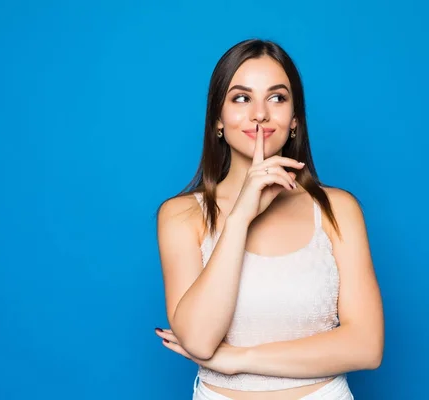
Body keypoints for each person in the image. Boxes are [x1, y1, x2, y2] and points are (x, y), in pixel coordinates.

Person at [154, 38, 384, 400]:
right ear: (218, 118)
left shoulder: (336, 209)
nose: (259, 114)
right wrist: (240, 217)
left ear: (294, 120)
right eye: (241, 98)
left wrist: (239, 359)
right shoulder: (182, 215)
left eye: (276, 98)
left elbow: (367, 347)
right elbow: (198, 339)